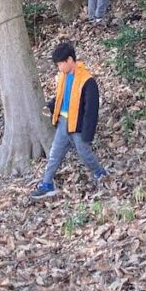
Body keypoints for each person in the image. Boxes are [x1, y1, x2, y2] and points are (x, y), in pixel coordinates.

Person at [29, 41, 106, 200]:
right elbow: (61, 97)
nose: (59, 68)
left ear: (70, 60)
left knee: (84, 153)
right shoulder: (63, 77)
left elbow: (91, 110)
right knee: (54, 154)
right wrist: (51, 106)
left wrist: (88, 133)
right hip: (63, 123)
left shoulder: (87, 81)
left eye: (60, 64)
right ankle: (47, 184)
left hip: (78, 125)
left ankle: (100, 173)